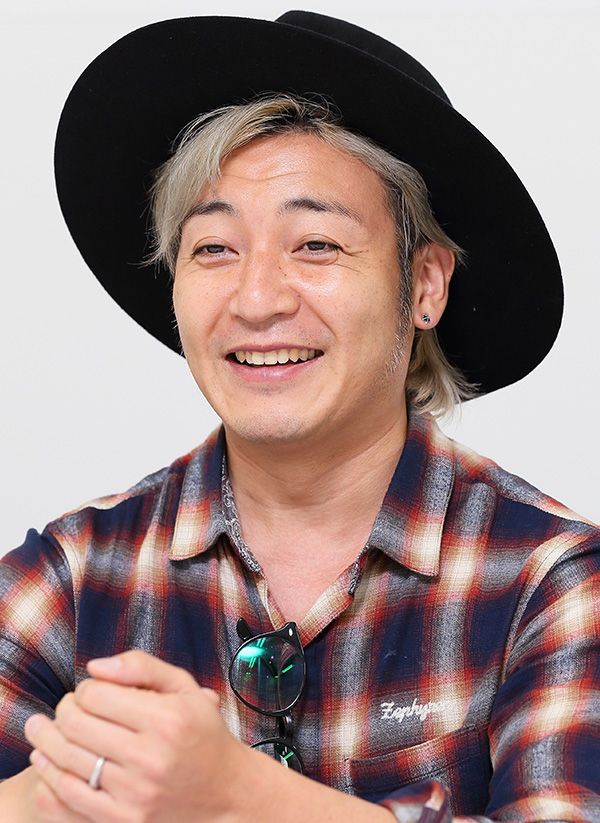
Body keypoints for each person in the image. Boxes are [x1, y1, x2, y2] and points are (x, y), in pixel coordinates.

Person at [0, 10, 597, 822]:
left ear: (424, 284)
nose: (256, 299)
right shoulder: (74, 576)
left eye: (316, 244)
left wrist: (236, 793)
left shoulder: (551, 581)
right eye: (214, 248)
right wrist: (55, 789)